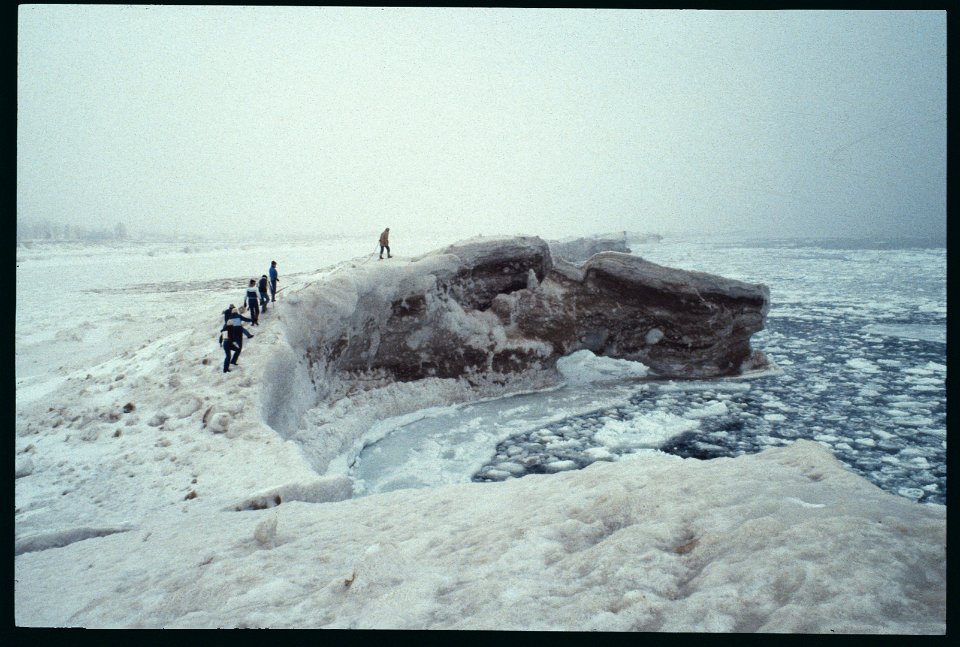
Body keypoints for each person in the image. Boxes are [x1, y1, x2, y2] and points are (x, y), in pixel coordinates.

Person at [219, 305, 253, 370]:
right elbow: (243, 322)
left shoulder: (229, 320)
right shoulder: (237, 318)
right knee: (235, 352)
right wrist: (251, 320)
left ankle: (230, 364)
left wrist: (221, 342)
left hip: (229, 342)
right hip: (233, 340)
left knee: (230, 354)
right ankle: (230, 364)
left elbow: (223, 335)